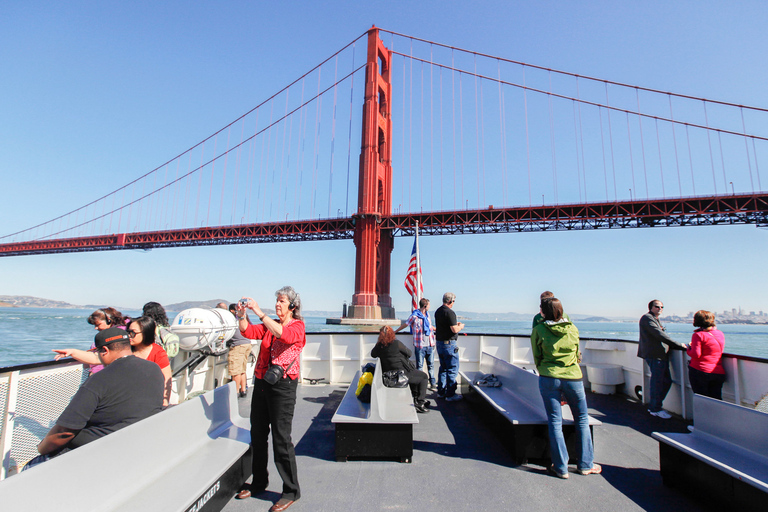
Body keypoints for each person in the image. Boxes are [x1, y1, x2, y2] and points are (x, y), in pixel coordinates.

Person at [34, 328, 164, 463]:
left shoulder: (99, 380)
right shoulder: (153, 369)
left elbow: (64, 431)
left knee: (32, 466)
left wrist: (41, 448)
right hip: (139, 444)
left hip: (99, 451)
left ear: (105, 351)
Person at [235, 286, 305, 512]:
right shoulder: (269, 325)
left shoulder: (298, 326)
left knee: (281, 439)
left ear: (292, 306)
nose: (277, 304)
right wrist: (242, 316)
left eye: (282, 301)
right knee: (257, 434)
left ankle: (291, 490)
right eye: (277, 300)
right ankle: (259, 482)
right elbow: (247, 332)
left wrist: (259, 311)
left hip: (283, 387)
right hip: (263, 383)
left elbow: (282, 335)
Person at [531, 297, 601, 479]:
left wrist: (544, 370)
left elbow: (536, 356)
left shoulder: (539, 330)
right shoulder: (572, 328)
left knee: (555, 421)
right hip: (573, 377)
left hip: (549, 376)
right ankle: (585, 465)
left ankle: (561, 467)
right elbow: (577, 354)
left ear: (543, 312)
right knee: (582, 419)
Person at [638, 300, 688, 419]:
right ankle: (655, 408)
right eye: (657, 307)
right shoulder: (647, 318)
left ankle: (655, 406)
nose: (660, 309)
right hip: (655, 355)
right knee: (658, 382)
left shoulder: (654, 318)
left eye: (662, 307)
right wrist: (679, 345)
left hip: (660, 355)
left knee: (665, 381)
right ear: (651, 307)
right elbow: (659, 334)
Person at [372, 326, 430, 413]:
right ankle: (420, 402)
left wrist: (379, 344)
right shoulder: (397, 343)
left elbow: (373, 354)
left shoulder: (379, 346)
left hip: (388, 376)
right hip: (400, 376)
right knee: (423, 376)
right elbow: (409, 353)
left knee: (415, 375)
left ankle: (416, 399)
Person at [127, 316, 173, 407]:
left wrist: (164, 402)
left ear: (146, 333)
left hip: (148, 401)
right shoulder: (125, 350)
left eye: (133, 333)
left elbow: (166, 379)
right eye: (127, 332)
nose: (129, 336)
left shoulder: (158, 353)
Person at [395, 297, 437, 390]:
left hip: (430, 344)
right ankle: (420, 384)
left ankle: (433, 383)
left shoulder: (428, 315)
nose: (430, 307)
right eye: (429, 305)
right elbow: (406, 324)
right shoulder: (414, 316)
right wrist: (396, 331)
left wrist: (439, 330)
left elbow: (430, 327)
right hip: (420, 345)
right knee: (420, 366)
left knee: (431, 365)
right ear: (425, 306)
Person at [687, 310, 726, 400]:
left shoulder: (698, 335)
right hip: (718, 372)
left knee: (701, 399)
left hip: (700, 371)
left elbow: (696, 354)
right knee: (716, 400)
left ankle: (702, 414)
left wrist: (688, 348)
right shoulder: (720, 333)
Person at [434, 292, 464, 401]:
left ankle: (441, 392)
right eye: (454, 301)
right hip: (449, 345)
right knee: (452, 369)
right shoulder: (450, 313)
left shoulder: (438, 311)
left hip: (440, 343)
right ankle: (450, 394)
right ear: (450, 301)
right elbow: (454, 329)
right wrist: (460, 326)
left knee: (443, 368)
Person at [228, 302, 253, 398]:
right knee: (242, 369)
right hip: (247, 344)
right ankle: (243, 390)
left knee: (235, 371)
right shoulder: (243, 318)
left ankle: (236, 392)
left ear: (231, 311)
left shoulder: (233, 319)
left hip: (238, 345)